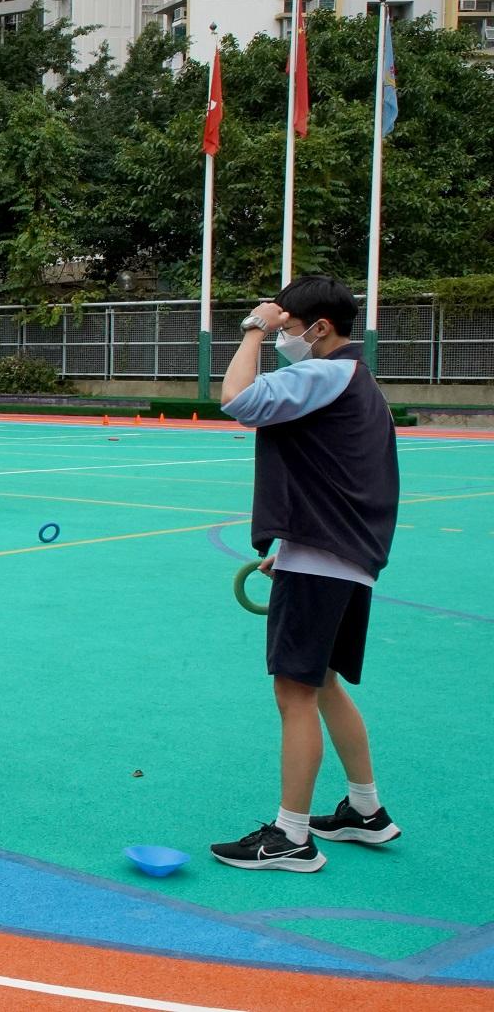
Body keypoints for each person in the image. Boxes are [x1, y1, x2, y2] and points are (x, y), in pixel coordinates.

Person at [210, 275, 401, 872]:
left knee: (294, 692)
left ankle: (291, 836)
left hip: (325, 560)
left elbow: (237, 400)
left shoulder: (325, 372)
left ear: (319, 328)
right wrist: (294, 543)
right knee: (321, 684)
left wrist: (252, 330)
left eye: (289, 324)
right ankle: (365, 812)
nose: (281, 333)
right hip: (338, 554)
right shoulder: (360, 382)